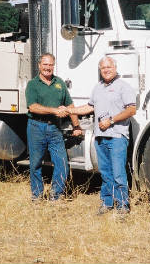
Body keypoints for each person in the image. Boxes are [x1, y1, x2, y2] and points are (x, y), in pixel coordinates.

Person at [68, 56, 136, 214]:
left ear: (115, 67)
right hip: (100, 137)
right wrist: (71, 110)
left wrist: (111, 120)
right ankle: (107, 202)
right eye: (103, 68)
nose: (106, 70)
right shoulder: (97, 88)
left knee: (118, 173)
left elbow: (131, 110)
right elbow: (89, 107)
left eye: (109, 67)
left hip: (117, 137)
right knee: (105, 173)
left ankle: (122, 206)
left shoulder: (123, 87)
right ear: (100, 70)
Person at [25, 53, 82, 201]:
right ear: (39, 65)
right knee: (35, 163)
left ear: (53, 66)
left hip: (55, 128)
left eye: (50, 65)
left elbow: (70, 105)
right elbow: (33, 107)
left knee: (62, 163)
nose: (47, 68)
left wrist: (76, 126)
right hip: (36, 127)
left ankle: (56, 195)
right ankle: (37, 195)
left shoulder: (59, 83)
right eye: (45, 64)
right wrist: (54, 110)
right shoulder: (32, 84)